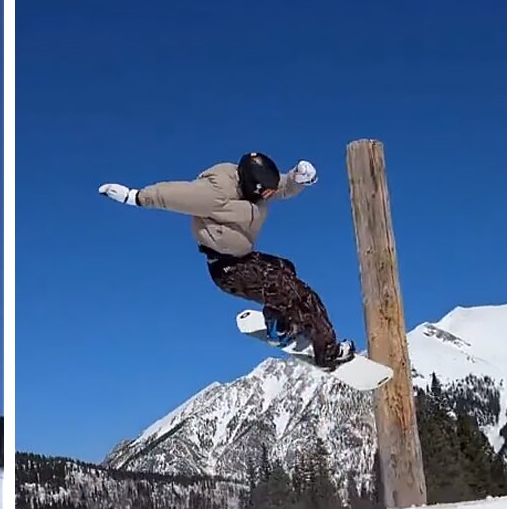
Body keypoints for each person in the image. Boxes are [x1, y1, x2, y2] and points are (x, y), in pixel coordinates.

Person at [97, 151, 354, 369]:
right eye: (264, 193)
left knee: (285, 269)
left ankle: (280, 327)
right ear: (252, 187)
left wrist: (297, 178)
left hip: (243, 259)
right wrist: (134, 197)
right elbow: (173, 194)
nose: (268, 198)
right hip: (228, 269)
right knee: (294, 290)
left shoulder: (254, 186)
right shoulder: (215, 192)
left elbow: (281, 187)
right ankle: (327, 351)